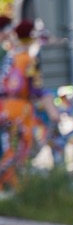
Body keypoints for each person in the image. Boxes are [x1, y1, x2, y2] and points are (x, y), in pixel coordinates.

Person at [0, 20, 39, 188]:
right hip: (21, 109)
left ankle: (5, 186)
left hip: (5, 107)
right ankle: (14, 187)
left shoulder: (10, 57)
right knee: (20, 148)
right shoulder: (27, 60)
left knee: (8, 147)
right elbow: (36, 89)